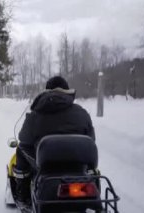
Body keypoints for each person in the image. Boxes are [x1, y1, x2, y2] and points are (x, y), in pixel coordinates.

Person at [13, 76, 95, 206]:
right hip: (77, 165)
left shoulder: (36, 113)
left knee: (20, 150)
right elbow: (91, 139)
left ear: (47, 92)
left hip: (46, 166)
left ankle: (23, 196)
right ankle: (93, 183)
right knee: (91, 166)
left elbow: (24, 140)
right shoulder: (82, 113)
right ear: (68, 92)